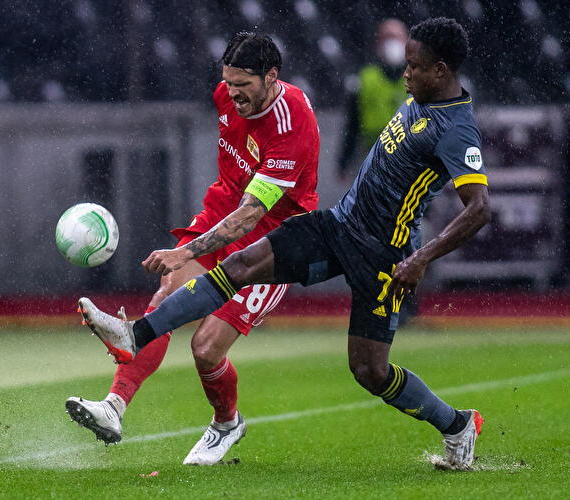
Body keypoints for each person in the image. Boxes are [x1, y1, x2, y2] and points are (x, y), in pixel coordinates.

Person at [82, 17, 491, 470]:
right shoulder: (420, 97)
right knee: (240, 265)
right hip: (337, 226)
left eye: (413, 67)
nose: (405, 74)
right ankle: (134, 335)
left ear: (440, 70)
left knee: (370, 371)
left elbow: (480, 209)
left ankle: (457, 425)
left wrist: (420, 258)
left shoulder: (456, 129)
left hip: (383, 255)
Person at [67, 31, 320, 466]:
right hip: (223, 211)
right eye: (228, 82)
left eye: (244, 85)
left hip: (272, 240)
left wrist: (183, 252)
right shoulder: (226, 94)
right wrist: (189, 253)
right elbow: (233, 196)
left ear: (272, 77)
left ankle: (226, 424)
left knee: (205, 349)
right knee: (166, 297)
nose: (232, 93)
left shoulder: (292, 122)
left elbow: (252, 215)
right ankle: (113, 407)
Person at [338, 18, 408, 178]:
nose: (392, 43)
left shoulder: (421, 77)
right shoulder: (365, 79)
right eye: (387, 37)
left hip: (412, 162)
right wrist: (344, 161)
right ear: (379, 44)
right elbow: (352, 124)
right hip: (373, 161)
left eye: (396, 37)